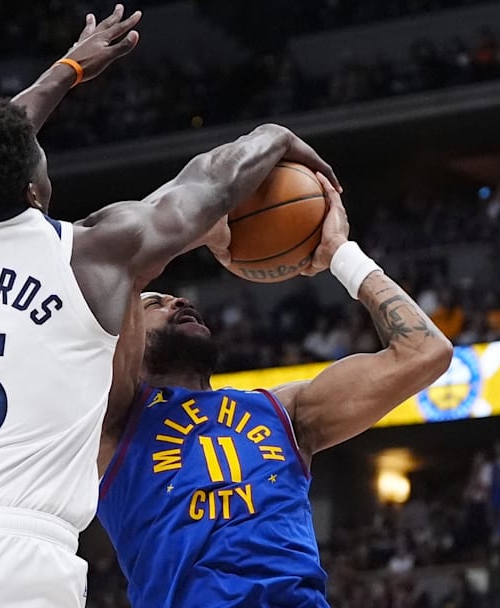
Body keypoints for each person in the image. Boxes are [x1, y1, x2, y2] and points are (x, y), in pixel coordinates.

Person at [0, 6, 340, 607]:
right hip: (14, 555)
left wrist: (64, 71)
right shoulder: (92, 255)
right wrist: (275, 136)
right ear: (34, 190)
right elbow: (210, 182)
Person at [95, 174, 453, 607]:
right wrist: (197, 229)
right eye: (158, 303)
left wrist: (340, 254)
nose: (180, 302)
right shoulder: (113, 419)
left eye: (180, 300)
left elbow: (425, 351)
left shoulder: (285, 410)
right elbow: (119, 260)